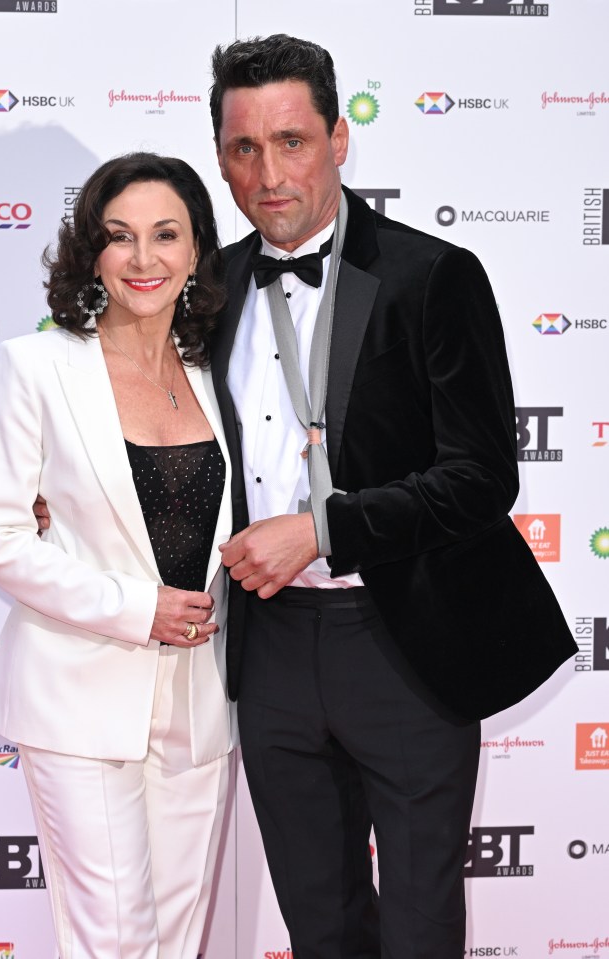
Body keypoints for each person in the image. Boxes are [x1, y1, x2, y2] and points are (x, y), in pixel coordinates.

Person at [206, 34, 577, 959]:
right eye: (245, 148)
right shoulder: (203, 287)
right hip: (270, 648)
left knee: (417, 924)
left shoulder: (431, 275)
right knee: (319, 923)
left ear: (338, 139)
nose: (269, 172)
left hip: (405, 639)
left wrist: (326, 529)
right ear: (221, 156)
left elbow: (484, 474)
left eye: (291, 141)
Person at [0, 152, 237, 959]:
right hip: (78, 690)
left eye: (165, 235)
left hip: (199, 699)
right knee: (113, 937)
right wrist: (135, 606)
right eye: (120, 237)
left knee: (178, 939)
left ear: (195, 252)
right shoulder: (36, 366)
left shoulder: (219, 373)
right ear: (92, 252)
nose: (144, 259)